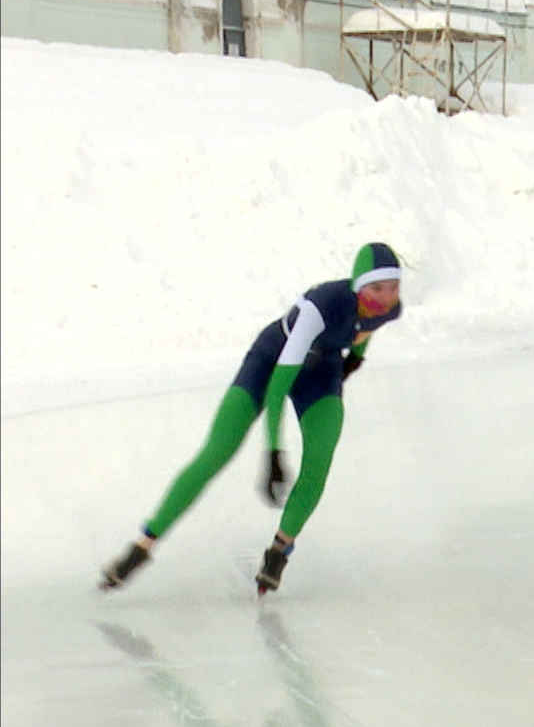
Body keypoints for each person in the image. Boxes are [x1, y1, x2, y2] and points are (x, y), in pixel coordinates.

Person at [99, 244, 405, 595]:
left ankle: (280, 551)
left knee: (320, 458)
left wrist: (357, 358)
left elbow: (367, 327)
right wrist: (273, 452)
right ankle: (142, 546)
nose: (384, 298)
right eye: (376, 289)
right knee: (217, 451)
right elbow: (277, 387)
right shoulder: (320, 308)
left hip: (322, 369)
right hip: (271, 361)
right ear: (357, 285)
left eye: (392, 287)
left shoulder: (391, 307)